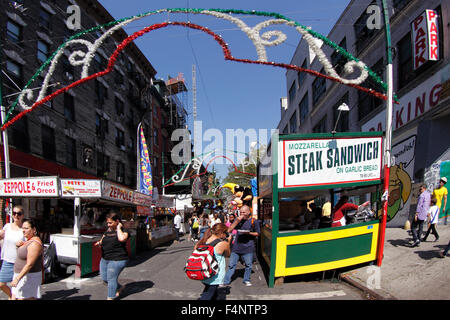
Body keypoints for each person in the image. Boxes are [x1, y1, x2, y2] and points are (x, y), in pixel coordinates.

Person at [94, 211, 129, 300]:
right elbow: (102, 240)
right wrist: (99, 243)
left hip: (118, 259)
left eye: (110, 223)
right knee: (104, 278)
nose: (108, 225)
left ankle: (110, 297)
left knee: (111, 279)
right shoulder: (107, 232)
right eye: (107, 223)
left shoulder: (124, 231)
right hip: (105, 259)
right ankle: (120, 287)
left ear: (117, 221)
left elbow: (121, 239)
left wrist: (118, 228)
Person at [223, 205, 260, 287]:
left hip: (248, 247)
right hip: (236, 247)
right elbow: (229, 230)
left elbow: (257, 233)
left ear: (248, 212)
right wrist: (236, 221)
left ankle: (246, 280)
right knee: (231, 265)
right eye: (241, 212)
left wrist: (249, 233)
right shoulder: (238, 220)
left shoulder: (254, 221)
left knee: (248, 265)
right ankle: (226, 281)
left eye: (244, 212)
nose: (242, 214)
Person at [195, 223, 231, 300]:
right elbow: (228, 255)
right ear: (221, 233)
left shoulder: (203, 240)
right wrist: (229, 241)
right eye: (226, 233)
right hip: (215, 276)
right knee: (207, 295)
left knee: (212, 293)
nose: (226, 235)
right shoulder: (222, 244)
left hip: (204, 273)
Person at [10, 219, 43, 300]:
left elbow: (29, 264)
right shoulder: (28, 241)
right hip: (22, 276)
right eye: (23, 228)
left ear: (34, 230)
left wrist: (18, 279)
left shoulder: (34, 244)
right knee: (14, 297)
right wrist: (18, 246)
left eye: (26, 228)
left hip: (28, 278)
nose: (23, 231)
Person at [0, 205, 25, 299]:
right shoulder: (7, 226)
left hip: (19, 262)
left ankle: (14, 297)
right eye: (14, 213)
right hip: (7, 260)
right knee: (1, 284)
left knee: (17, 287)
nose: (16, 216)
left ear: (22, 215)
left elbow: (29, 244)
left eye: (19, 213)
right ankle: (12, 296)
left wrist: (23, 244)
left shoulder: (23, 229)